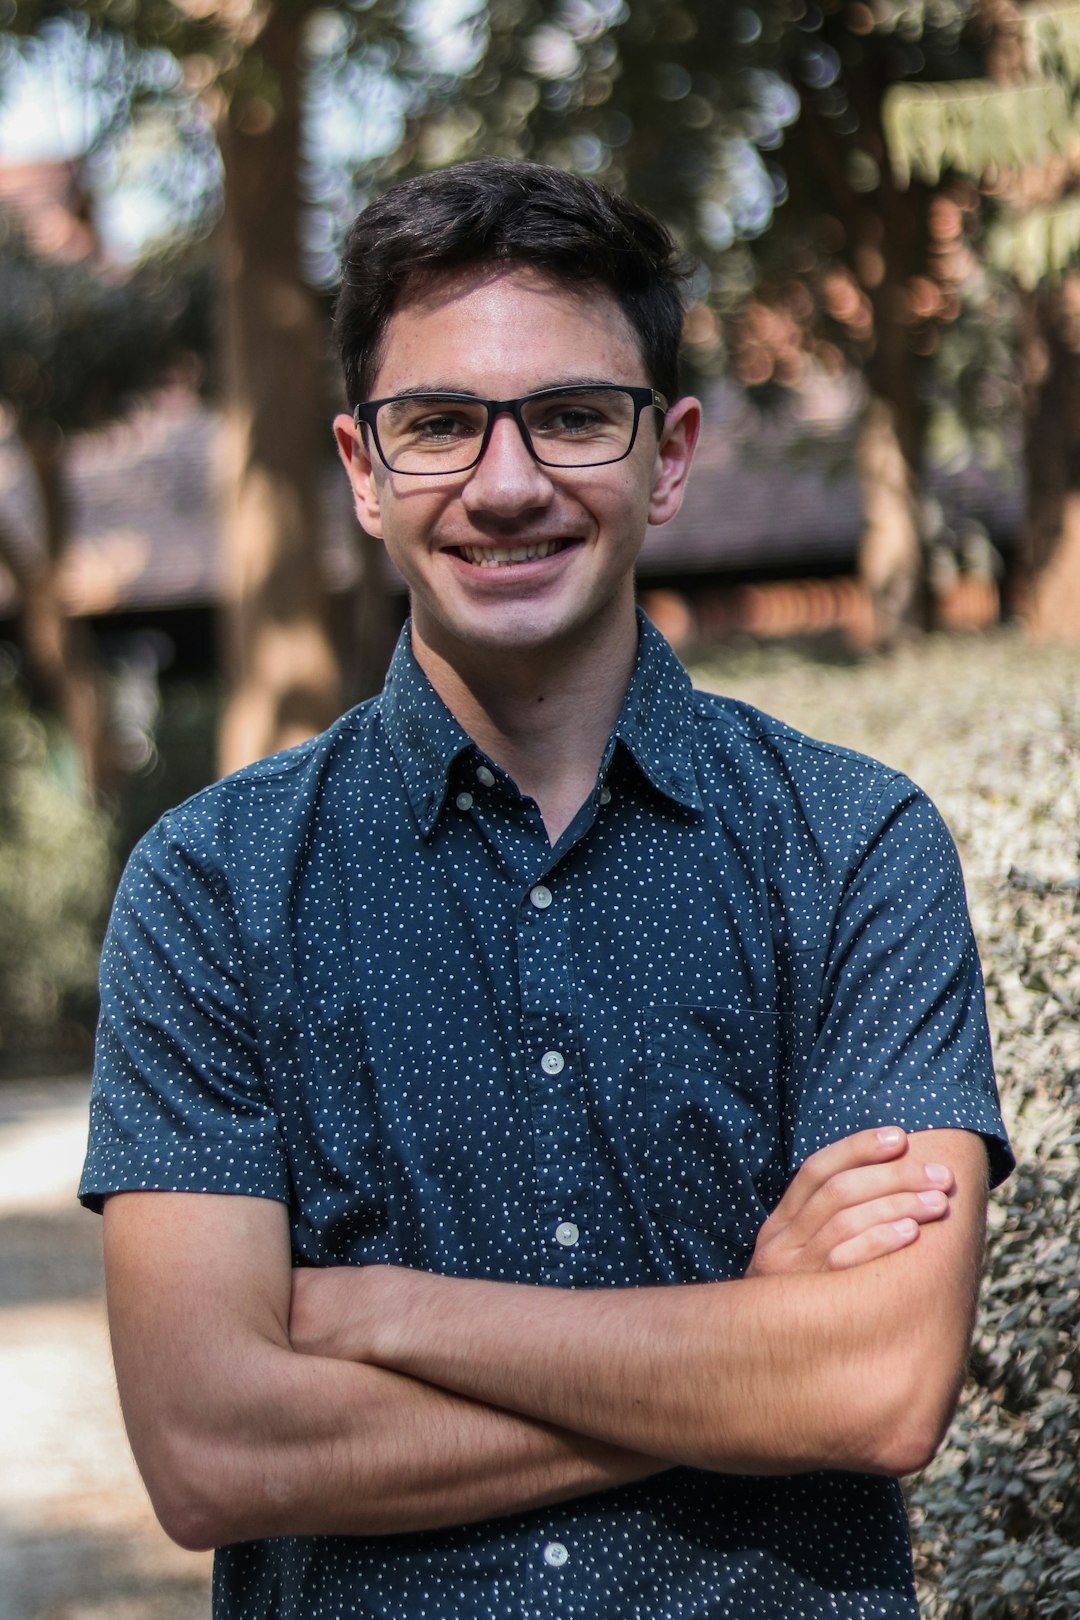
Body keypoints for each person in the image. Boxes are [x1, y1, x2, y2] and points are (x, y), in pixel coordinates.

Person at [80, 159, 1012, 1620]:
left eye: (574, 417)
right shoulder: (210, 890)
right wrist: (747, 1355)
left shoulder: (855, 847)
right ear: (361, 470)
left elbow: (882, 1387)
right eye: (440, 425)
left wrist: (381, 1315)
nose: (506, 486)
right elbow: (210, 1447)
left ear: (671, 452)